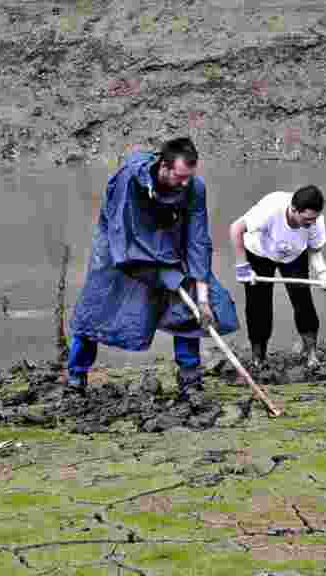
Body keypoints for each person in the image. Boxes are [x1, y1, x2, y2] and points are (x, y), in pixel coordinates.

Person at [67, 137, 238, 398]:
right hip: (118, 248)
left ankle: (190, 380)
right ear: (164, 167)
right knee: (98, 308)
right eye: (180, 177)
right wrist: (163, 273)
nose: (185, 183)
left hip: (168, 244)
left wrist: (202, 299)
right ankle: (76, 377)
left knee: (188, 306)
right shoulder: (129, 182)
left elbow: (198, 240)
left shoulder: (193, 188)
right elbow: (123, 237)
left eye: (188, 178)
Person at [230, 185, 326, 369]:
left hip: (293, 254)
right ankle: (259, 358)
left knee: (302, 299)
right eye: (306, 220)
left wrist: (323, 273)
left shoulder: (315, 221)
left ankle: (311, 354)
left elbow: (315, 250)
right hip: (259, 253)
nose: (310, 224)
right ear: (293, 209)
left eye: (314, 219)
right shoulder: (271, 210)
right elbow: (236, 229)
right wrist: (242, 266)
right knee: (258, 304)